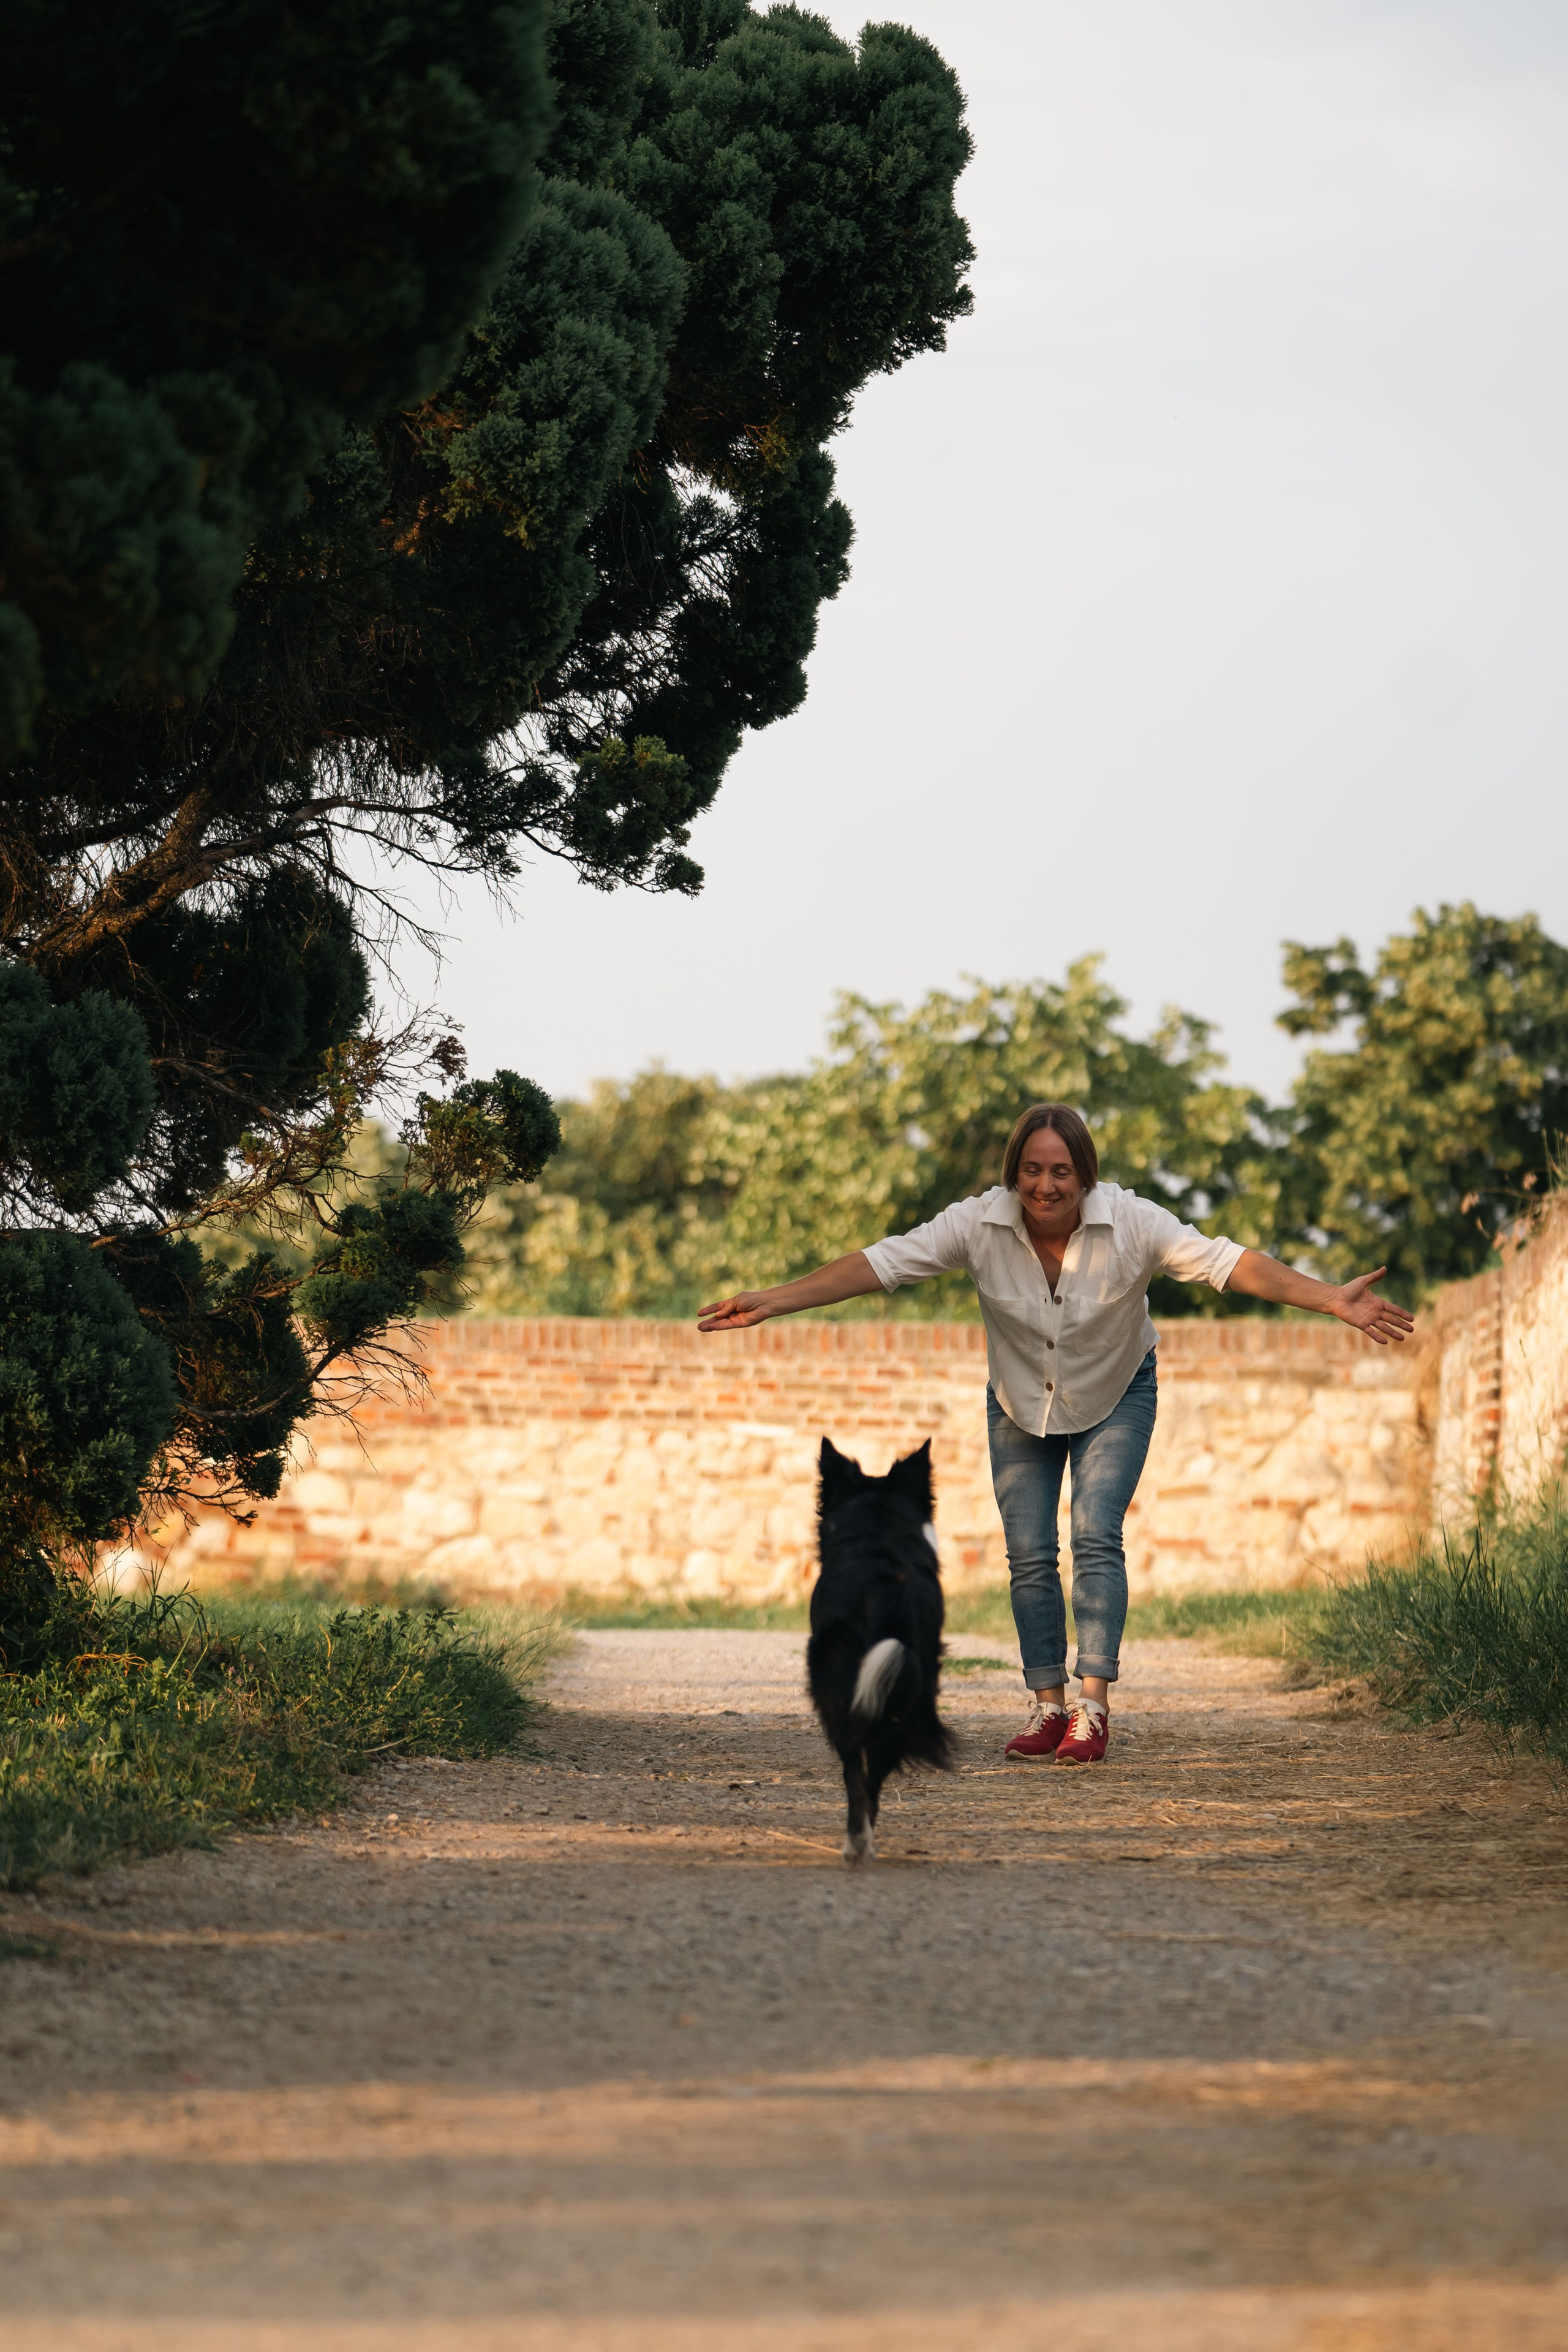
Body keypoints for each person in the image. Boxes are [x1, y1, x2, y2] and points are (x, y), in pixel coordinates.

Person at [697, 1102, 1413, 1764]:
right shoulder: (976, 1225)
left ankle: (1092, 1709)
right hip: (1018, 1403)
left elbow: (1230, 1266)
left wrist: (1329, 1299)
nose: (1045, 1186)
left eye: (1061, 1171)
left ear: (1085, 1175)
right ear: (1014, 1175)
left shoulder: (1134, 1223)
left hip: (1117, 1392)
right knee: (1030, 1553)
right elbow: (879, 1265)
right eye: (1032, 1170)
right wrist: (774, 1300)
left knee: (1095, 1532)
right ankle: (1047, 1706)